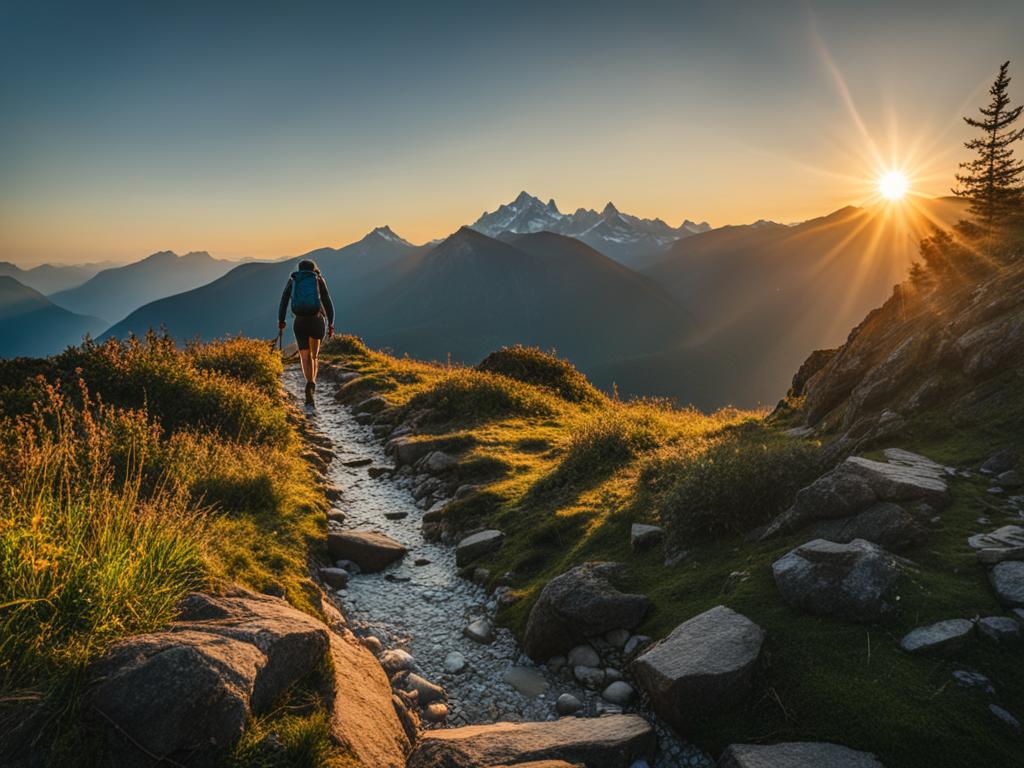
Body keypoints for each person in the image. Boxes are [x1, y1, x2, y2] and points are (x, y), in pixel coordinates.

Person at [278, 259, 334, 405]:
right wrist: (331, 323)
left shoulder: (294, 280)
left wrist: (281, 321)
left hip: (300, 322)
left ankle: (308, 383)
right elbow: (327, 301)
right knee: (314, 356)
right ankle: (312, 384)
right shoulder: (318, 280)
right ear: (314, 269)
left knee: (304, 357)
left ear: (300, 269)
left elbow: (284, 300)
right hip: (316, 321)